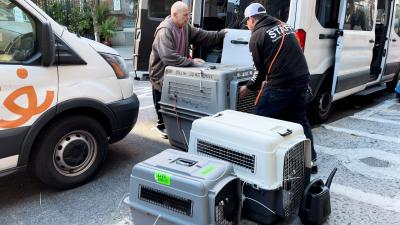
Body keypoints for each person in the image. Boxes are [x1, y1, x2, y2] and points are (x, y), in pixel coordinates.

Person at [238, 3, 318, 173]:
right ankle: (311, 161)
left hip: (280, 84)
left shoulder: (257, 36)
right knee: (299, 120)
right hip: (302, 79)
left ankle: (255, 163)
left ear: (252, 19)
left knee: (259, 121)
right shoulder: (285, 26)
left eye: (247, 22)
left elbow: (258, 72)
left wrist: (247, 88)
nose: (247, 26)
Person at [149, 1, 226, 139]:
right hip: (161, 72)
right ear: (174, 15)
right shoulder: (165, 30)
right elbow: (168, 57)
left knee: (174, 97)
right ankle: (161, 125)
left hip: (176, 71)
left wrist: (220, 35)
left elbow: (203, 35)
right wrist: (191, 62)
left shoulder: (185, 26)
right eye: (185, 15)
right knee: (161, 95)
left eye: (188, 15)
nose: (188, 18)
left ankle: (172, 123)